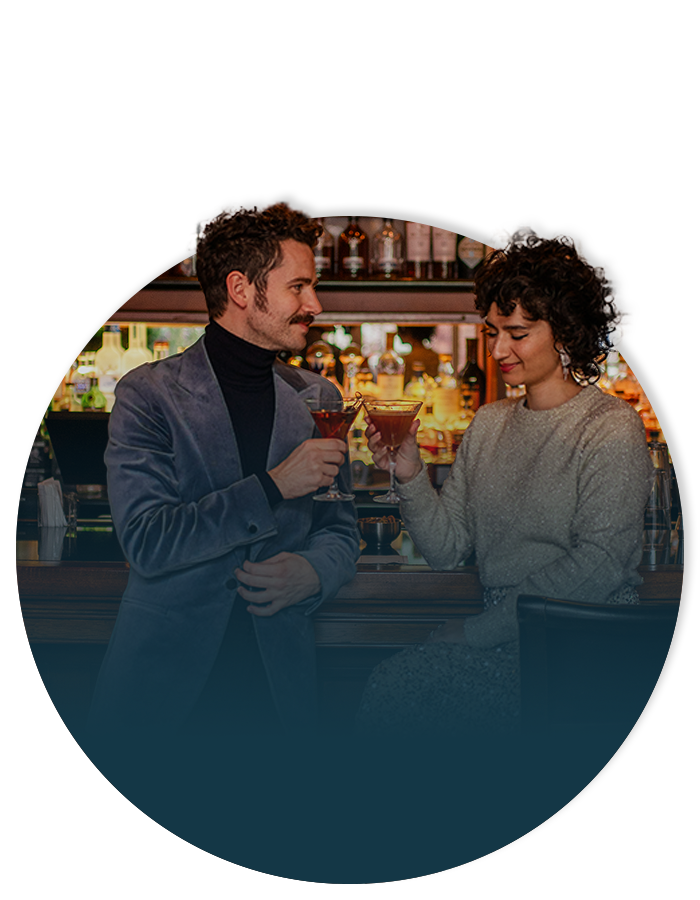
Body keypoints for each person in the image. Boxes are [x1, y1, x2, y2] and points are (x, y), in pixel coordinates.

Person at [355, 226, 655, 738]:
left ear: (565, 333)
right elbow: (447, 549)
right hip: (502, 635)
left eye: (517, 333)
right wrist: (408, 472)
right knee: (391, 688)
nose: (497, 349)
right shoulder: (490, 423)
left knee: (396, 689)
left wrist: (473, 634)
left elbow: (600, 565)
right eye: (493, 331)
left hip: (577, 649)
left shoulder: (609, 426)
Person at [84, 202, 361, 753]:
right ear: (241, 289)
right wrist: (273, 484)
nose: (316, 305)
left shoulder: (318, 398)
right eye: (299, 287)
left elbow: (340, 529)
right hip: (163, 692)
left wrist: (314, 571)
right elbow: (147, 542)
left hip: (278, 690)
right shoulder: (149, 395)